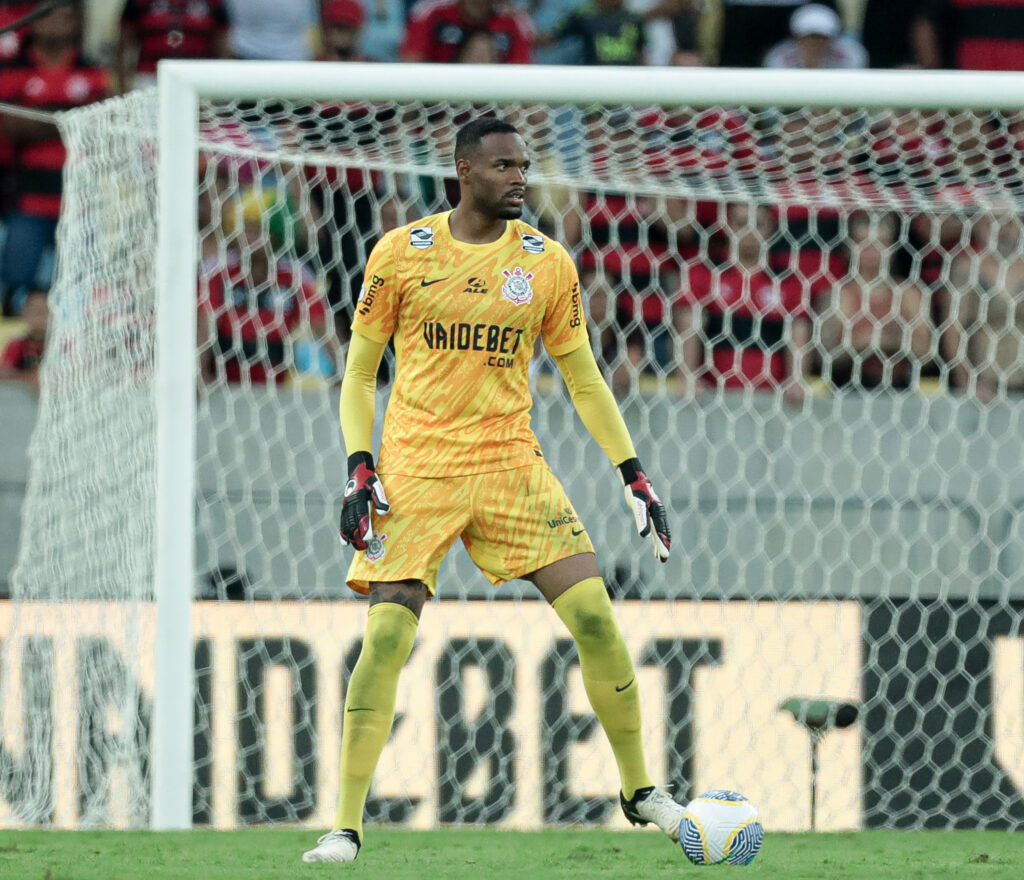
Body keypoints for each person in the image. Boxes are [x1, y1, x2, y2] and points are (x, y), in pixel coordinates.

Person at [301, 117, 679, 864]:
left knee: (598, 622)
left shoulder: (546, 263)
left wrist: (631, 471)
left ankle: (641, 791)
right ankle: (344, 825)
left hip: (510, 464)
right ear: (463, 170)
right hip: (417, 467)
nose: (519, 178)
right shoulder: (401, 254)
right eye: (504, 166)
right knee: (385, 636)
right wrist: (359, 464)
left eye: (525, 166)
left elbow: (582, 379)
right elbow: (358, 372)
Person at [0, 0, 108, 315]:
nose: (56, 24)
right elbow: (12, 126)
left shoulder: (93, 68)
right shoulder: (12, 68)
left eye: (65, 17)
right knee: (14, 287)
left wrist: (40, 115)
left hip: (81, 203)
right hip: (27, 202)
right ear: (32, 23)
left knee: (88, 291)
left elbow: (102, 126)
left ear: (77, 23)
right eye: (48, 17)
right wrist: (75, 115)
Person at [401, 0, 534, 63]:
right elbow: (412, 63)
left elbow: (523, 72)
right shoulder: (432, 12)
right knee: (407, 96)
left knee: (532, 111)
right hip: (436, 100)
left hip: (495, 103)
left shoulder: (513, 21)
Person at [763, 3, 867, 69]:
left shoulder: (851, 55)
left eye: (822, 37)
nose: (816, 42)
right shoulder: (779, 57)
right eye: (810, 37)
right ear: (798, 36)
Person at [0, 287, 47, 388]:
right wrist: (32, 377)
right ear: (24, 315)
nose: (39, 317)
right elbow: (3, 374)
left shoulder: (62, 346)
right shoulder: (17, 345)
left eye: (43, 311)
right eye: (34, 311)